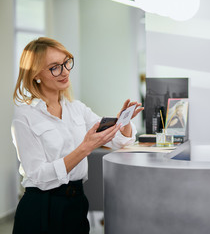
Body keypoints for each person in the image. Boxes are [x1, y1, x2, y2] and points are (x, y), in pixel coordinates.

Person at [11, 37, 144, 234]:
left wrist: (122, 123)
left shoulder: (76, 109)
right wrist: (85, 148)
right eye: (54, 67)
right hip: (41, 207)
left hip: (76, 202)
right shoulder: (25, 116)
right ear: (36, 75)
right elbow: (38, 176)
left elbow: (118, 141)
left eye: (66, 62)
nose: (65, 71)